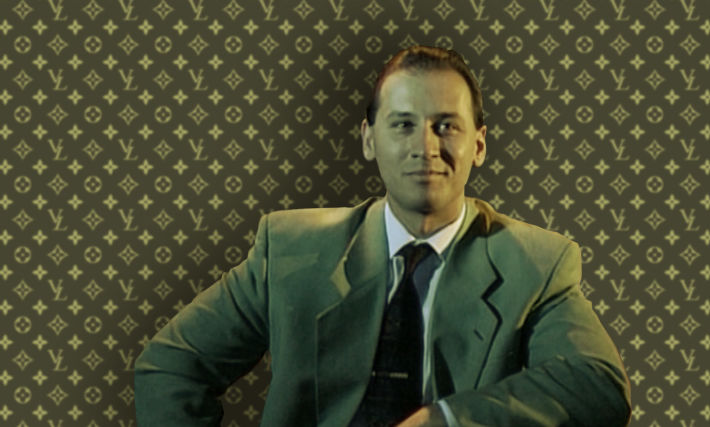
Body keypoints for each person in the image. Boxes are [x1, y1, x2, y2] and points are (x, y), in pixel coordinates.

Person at [134, 45, 632, 426]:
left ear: (479, 145)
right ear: (369, 140)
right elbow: (171, 364)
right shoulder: (289, 251)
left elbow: (598, 383)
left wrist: (448, 421)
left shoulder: (536, 263)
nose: (425, 147)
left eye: (446, 126)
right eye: (403, 124)